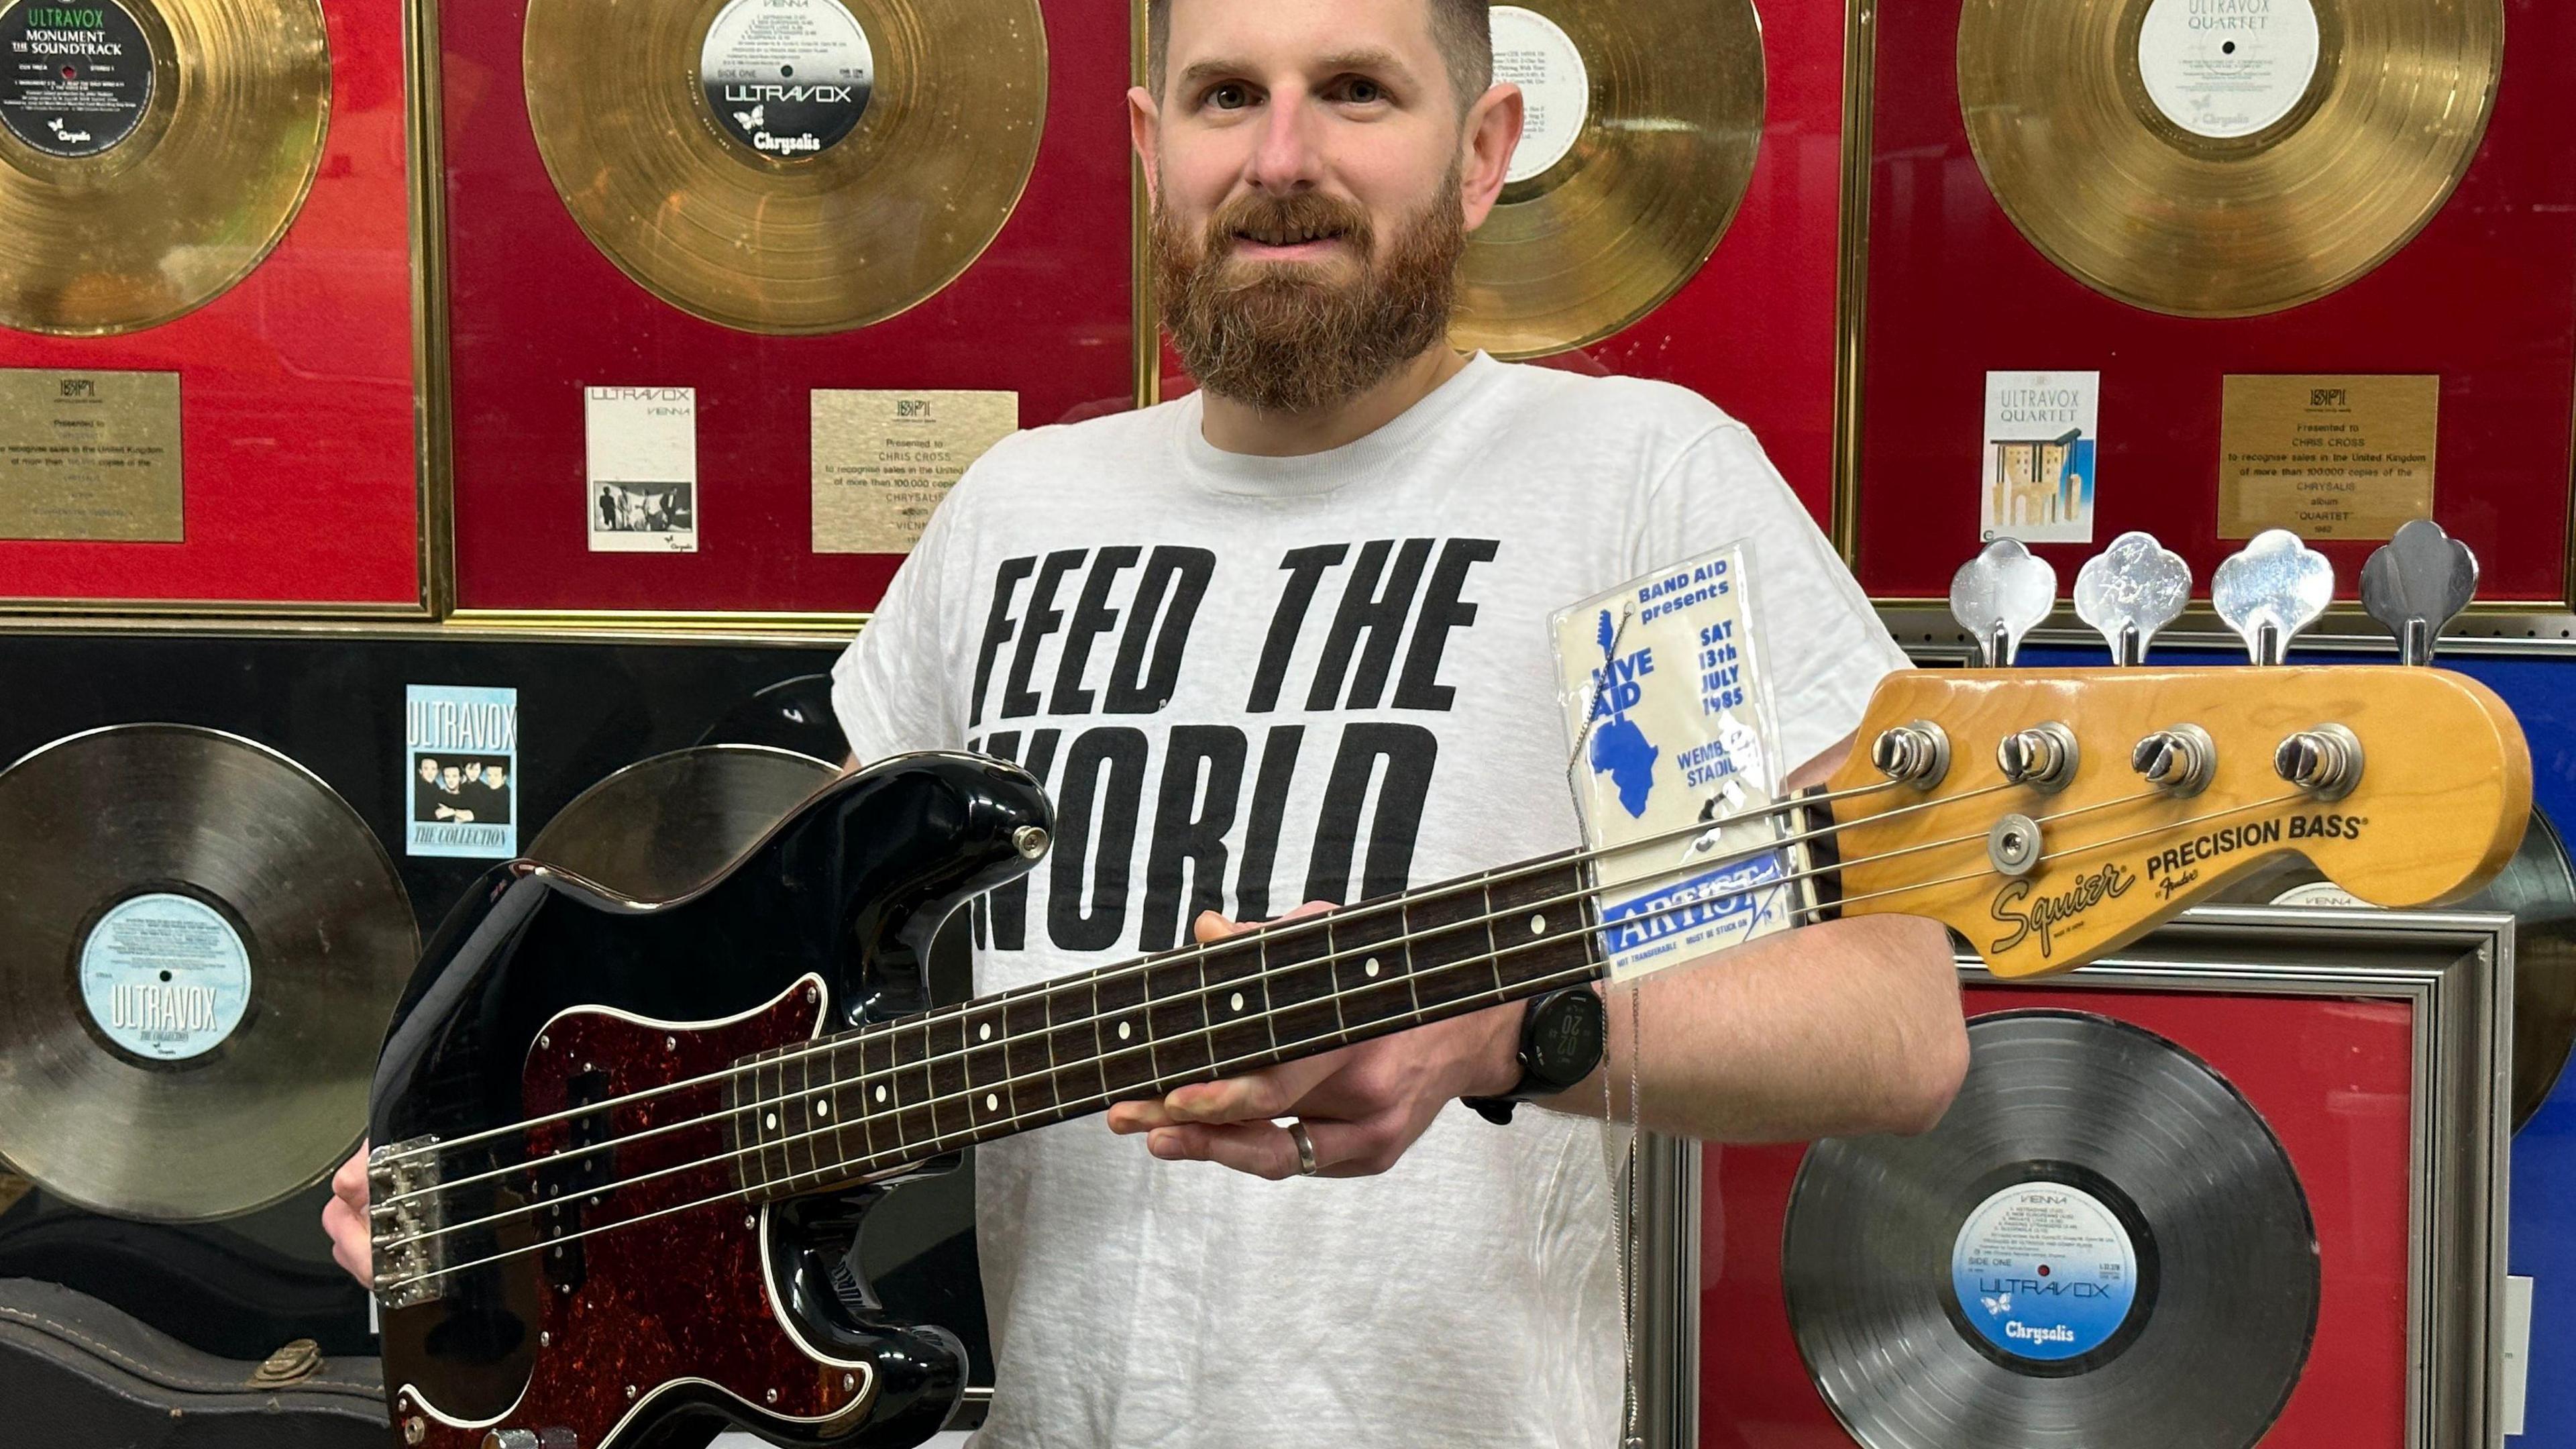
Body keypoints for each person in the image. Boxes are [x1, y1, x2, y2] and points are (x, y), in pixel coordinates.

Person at [325, 3, 1965, 1444]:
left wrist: (1499, 1036)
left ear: (1482, 151)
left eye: (1359, 92)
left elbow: (1897, 1023)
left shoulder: (1634, 487)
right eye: (1226, 95)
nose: (1284, 155)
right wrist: (510, 1182)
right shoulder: (1019, 512)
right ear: (1150, 144)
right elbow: (761, 1001)